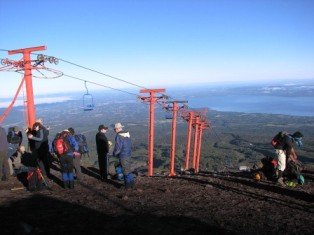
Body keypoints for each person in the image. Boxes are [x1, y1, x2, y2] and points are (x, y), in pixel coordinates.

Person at [112, 123, 135, 189]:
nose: (114, 130)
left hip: (123, 155)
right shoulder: (127, 134)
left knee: (125, 171)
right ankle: (132, 184)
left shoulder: (119, 136)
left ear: (117, 129)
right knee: (128, 169)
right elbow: (130, 145)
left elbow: (118, 148)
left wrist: (114, 154)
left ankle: (127, 186)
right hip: (128, 154)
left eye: (115, 129)